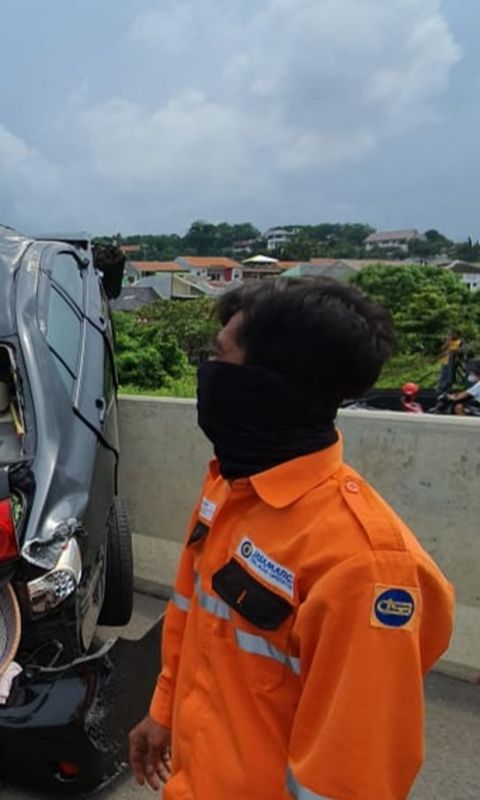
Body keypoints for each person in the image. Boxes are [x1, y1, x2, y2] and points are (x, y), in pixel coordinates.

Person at [129, 279, 454, 799]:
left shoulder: (363, 567)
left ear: (266, 385)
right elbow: (191, 614)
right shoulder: (229, 486)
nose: (207, 377)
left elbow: (349, 782)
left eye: (220, 359)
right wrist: (163, 709)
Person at [435, 329, 464, 395]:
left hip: (453, 362)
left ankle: (447, 390)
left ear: (457, 335)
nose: (451, 335)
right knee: (443, 376)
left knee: (449, 377)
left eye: (452, 334)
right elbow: (442, 349)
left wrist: (456, 352)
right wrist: (447, 342)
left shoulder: (460, 342)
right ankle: (440, 390)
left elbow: (460, 352)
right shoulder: (449, 341)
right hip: (445, 360)